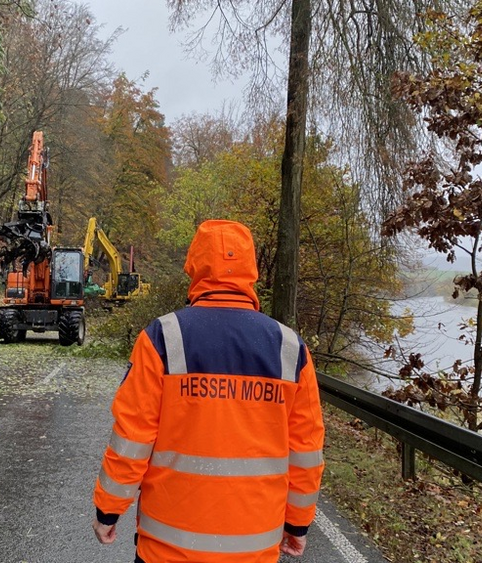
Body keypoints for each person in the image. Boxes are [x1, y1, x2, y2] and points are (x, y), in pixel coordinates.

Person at [91, 220, 325, 563]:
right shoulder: (289, 348)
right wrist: (298, 524)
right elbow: (306, 449)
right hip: (254, 549)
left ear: (194, 266)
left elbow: (133, 436)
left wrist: (108, 511)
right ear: (251, 270)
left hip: (167, 550)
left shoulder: (162, 337)